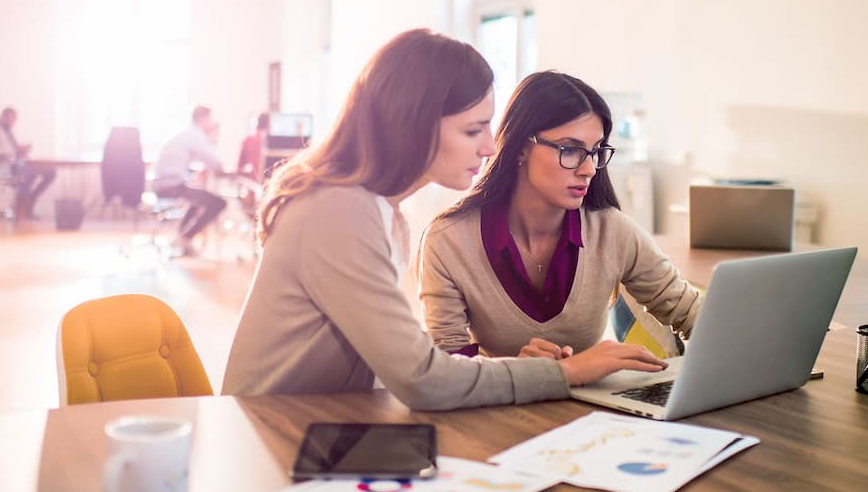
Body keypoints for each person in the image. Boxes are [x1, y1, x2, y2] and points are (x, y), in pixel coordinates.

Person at [222, 29, 667, 411]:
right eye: (473, 130)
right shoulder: (339, 210)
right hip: (273, 433)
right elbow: (422, 378)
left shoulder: (380, 212)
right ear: (412, 125)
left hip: (325, 421)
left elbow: (408, 361)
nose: (491, 147)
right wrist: (565, 373)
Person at [419, 71, 701, 360]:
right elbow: (447, 363)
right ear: (519, 147)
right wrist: (521, 371)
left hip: (591, 404)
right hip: (498, 405)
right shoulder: (448, 240)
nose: (589, 168)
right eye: (570, 149)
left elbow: (693, 315)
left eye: (595, 151)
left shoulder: (613, 231)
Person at [152, 105, 228, 254]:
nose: (212, 123)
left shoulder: (185, 134)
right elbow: (214, 163)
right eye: (210, 119)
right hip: (171, 185)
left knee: (198, 201)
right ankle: (185, 238)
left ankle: (183, 238)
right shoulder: (196, 135)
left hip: (162, 183)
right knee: (219, 203)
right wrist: (213, 138)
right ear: (203, 119)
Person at [0, 106, 56, 219]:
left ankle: (30, 201)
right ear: (3, 117)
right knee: (28, 173)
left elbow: (13, 150)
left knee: (51, 172)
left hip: (17, 163)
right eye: (11, 120)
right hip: (1, 166)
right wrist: (16, 149)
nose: (13, 123)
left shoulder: (7, 131)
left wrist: (22, 150)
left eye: (14, 121)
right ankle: (21, 210)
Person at [237, 112, 269, 181]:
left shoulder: (248, 139)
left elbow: (239, 168)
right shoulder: (273, 141)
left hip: (253, 186)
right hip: (271, 186)